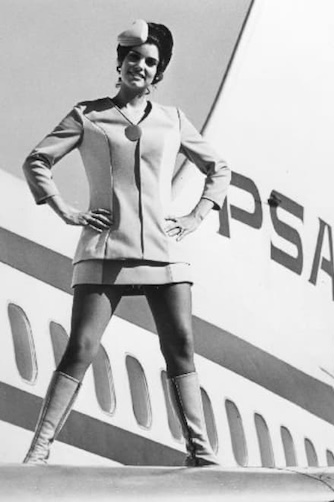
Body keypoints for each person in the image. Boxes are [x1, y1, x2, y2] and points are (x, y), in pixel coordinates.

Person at [21, 19, 231, 466]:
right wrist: (63, 209)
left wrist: (196, 214)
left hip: (164, 251)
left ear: (159, 73)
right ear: (120, 62)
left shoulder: (174, 121)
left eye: (151, 61)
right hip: (104, 250)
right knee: (81, 347)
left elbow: (219, 168)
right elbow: (37, 159)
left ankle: (200, 451)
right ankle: (39, 450)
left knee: (181, 347)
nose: (140, 66)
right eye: (133, 56)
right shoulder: (88, 115)